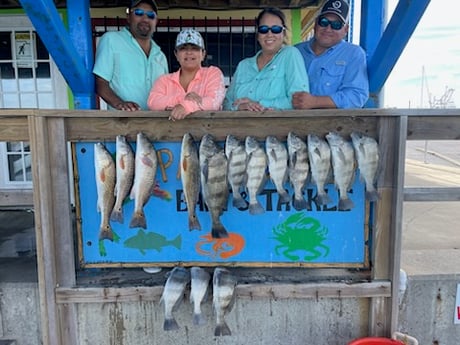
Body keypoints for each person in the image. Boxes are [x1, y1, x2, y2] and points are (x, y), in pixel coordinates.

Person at [223, 7, 310, 111]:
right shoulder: (243, 65)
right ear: (258, 34)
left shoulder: (290, 55)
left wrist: (259, 104)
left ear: (284, 33)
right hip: (240, 126)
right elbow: (227, 103)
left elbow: (299, 100)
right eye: (263, 29)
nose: (269, 34)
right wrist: (239, 107)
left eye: (276, 29)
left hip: (279, 126)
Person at [93, 0, 168, 111]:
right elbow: (101, 82)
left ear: (156, 21)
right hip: (123, 123)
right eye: (138, 13)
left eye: (151, 15)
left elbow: (166, 91)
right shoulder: (111, 40)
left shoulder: (160, 56)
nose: (145, 18)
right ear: (128, 17)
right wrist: (120, 104)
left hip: (156, 124)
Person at [293, 0, 369, 109]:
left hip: (335, 125)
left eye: (336, 25)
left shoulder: (354, 54)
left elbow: (357, 96)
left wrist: (315, 102)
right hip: (290, 123)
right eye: (324, 22)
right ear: (315, 24)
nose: (328, 29)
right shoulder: (295, 51)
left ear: (346, 29)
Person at [147, 28, 226, 120]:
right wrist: (183, 98)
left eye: (195, 48)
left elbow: (213, 102)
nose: (189, 52)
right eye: (183, 48)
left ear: (203, 54)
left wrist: (186, 107)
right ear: (176, 54)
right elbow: (153, 102)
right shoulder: (164, 80)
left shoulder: (212, 73)